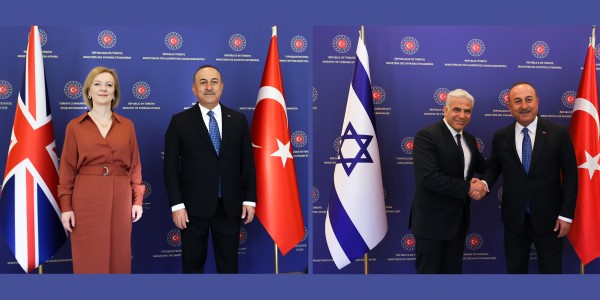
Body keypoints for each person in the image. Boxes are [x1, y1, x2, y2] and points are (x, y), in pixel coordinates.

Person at [163, 65, 257, 273]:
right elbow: (169, 168)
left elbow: (247, 162)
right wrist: (177, 205)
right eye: (202, 82)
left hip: (229, 207)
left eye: (214, 82)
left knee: (229, 266)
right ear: (194, 89)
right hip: (192, 210)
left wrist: (249, 199)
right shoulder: (180, 122)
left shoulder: (238, 120)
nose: (209, 87)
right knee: (193, 267)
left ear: (221, 87)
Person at [481, 82, 577, 273]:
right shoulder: (501, 136)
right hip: (514, 220)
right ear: (509, 106)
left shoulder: (557, 133)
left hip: (551, 220)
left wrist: (566, 215)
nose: (523, 106)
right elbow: (494, 168)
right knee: (516, 272)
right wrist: (483, 184)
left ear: (537, 102)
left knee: (551, 274)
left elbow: (571, 174)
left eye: (528, 100)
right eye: (517, 101)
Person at [58, 66, 144, 274]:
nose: (103, 88)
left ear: (115, 92)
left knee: (119, 255)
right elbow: (67, 169)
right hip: (86, 195)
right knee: (88, 257)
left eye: (109, 85)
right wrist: (66, 206)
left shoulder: (127, 126)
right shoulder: (75, 126)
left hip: (121, 195)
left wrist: (138, 200)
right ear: (89, 90)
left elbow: (134, 166)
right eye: (97, 84)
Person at [409, 88, 487, 274]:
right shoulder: (427, 136)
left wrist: (484, 184)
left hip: (457, 224)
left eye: (467, 111)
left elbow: (484, 167)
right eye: (456, 109)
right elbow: (429, 178)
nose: (462, 115)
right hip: (431, 225)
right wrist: (469, 187)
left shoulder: (468, 139)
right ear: (445, 110)